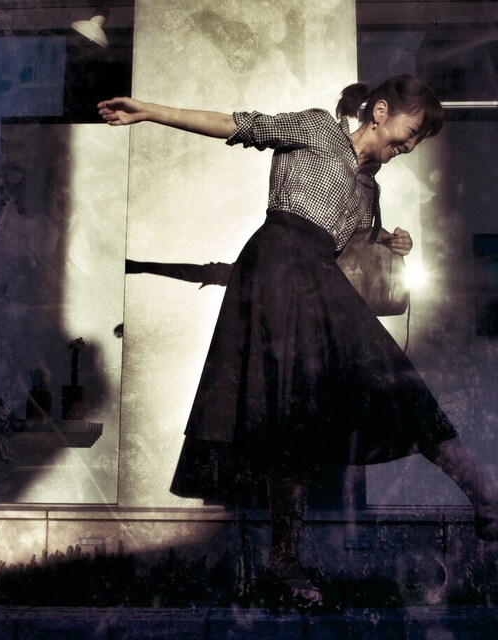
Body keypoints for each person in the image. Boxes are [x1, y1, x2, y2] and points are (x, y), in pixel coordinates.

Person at [98, 75, 498, 607]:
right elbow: (236, 124)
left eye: (420, 140)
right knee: (286, 414)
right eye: (412, 130)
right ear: (380, 111)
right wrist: (148, 110)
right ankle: (283, 562)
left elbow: (350, 253)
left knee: (378, 385)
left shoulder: (370, 190)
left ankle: (484, 496)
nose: (411, 144)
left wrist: (388, 241)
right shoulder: (316, 128)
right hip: (274, 268)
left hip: (317, 280)